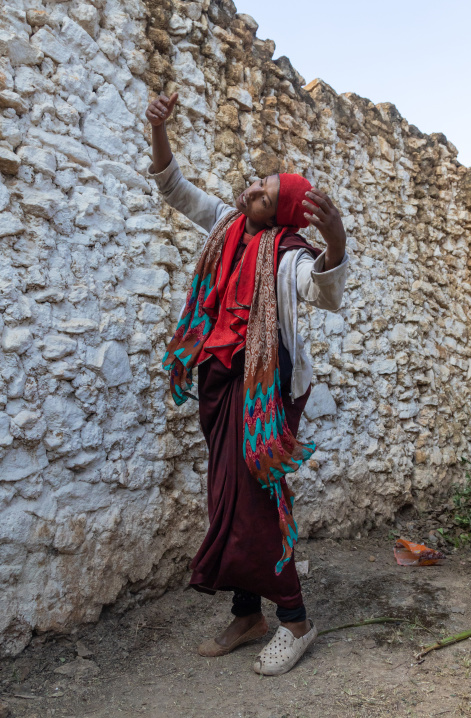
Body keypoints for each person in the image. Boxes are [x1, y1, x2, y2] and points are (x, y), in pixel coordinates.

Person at [145, 92, 349, 676]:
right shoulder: (225, 226)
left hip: (264, 390)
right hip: (219, 381)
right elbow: (173, 186)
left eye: (264, 190)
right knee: (227, 499)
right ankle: (247, 614)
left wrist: (335, 239)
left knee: (259, 499)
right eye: (255, 181)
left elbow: (326, 290)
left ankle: (296, 620)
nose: (251, 189)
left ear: (279, 212)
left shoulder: (287, 256)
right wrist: (158, 130)